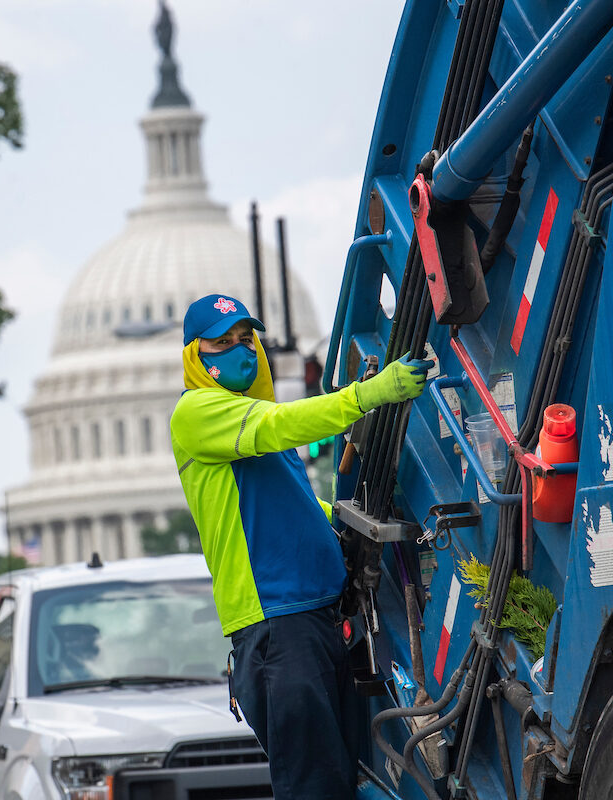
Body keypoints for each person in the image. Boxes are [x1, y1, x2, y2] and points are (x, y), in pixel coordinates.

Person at [169, 293, 430, 799]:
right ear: (194, 358)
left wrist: (343, 516)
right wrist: (370, 393)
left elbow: (294, 507)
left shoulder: (253, 422)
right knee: (316, 789)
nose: (241, 352)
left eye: (247, 340)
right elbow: (282, 423)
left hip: (313, 623)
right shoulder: (198, 413)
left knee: (348, 783)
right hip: (277, 629)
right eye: (221, 344)